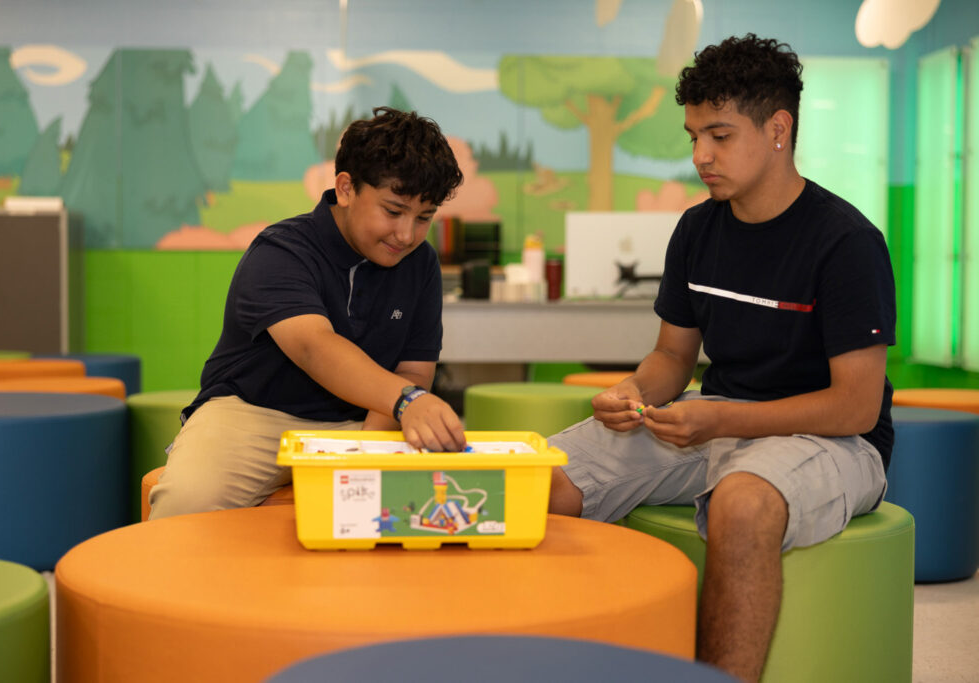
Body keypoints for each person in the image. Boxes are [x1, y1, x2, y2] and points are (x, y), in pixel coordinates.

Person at [547, 34, 895, 682]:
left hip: (835, 441)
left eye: (720, 136)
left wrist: (723, 419)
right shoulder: (697, 228)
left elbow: (855, 405)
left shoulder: (846, 241)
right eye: (693, 137)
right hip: (718, 422)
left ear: (778, 130)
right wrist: (634, 392)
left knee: (743, 503)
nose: (700, 156)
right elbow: (671, 356)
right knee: (541, 479)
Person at [149, 107, 467, 519]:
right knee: (186, 503)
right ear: (346, 188)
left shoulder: (421, 264)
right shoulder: (282, 250)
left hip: (366, 417)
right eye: (392, 211)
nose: (406, 235)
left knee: (436, 510)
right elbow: (313, 347)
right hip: (253, 414)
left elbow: (413, 370)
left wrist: (368, 448)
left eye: (424, 218)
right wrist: (408, 401)